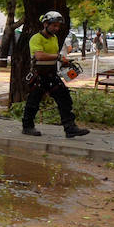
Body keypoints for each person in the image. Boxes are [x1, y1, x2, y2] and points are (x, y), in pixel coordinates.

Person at [23, 10, 90, 138]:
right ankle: (27, 126)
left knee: (65, 98)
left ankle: (70, 128)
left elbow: (53, 57)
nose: (57, 28)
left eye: (58, 26)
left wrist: (64, 63)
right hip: (39, 75)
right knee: (33, 102)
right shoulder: (36, 38)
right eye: (54, 25)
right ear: (45, 24)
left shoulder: (54, 38)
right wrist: (59, 57)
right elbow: (39, 56)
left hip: (51, 74)